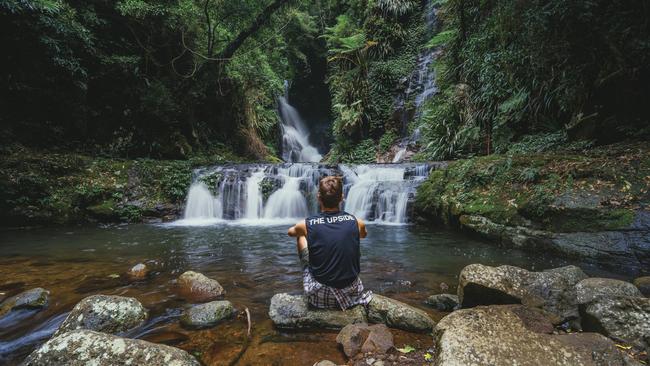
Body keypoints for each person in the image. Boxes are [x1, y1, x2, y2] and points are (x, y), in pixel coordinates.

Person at [287, 176, 372, 310]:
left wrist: (309, 229)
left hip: (320, 295)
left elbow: (291, 232)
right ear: (342, 197)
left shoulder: (307, 224)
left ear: (318, 197)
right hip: (351, 291)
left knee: (301, 236)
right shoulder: (356, 222)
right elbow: (363, 235)